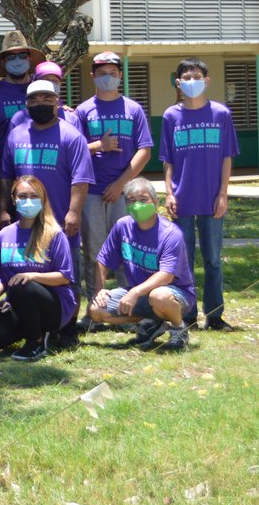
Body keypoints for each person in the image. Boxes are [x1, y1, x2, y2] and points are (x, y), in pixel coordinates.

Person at [0, 80, 93, 342]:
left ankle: (68, 327)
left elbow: (81, 178)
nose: (41, 104)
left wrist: (74, 212)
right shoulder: (16, 134)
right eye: (35, 100)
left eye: (47, 98)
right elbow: (6, 175)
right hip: (26, 220)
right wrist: (4, 210)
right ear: (26, 104)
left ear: (57, 102)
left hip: (62, 220)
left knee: (68, 276)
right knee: (30, 272)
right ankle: (35, 324)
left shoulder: (71, 136)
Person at [160, 58, 239, 330]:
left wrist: (223, 194)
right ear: (178, 83)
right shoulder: (171, 116)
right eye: (186, 77)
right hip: (181, 200)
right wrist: (169, 193)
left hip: (211, 199)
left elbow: (227, 158)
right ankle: (188, 314)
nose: (191, 82)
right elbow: (167, 160)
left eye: (196, 76)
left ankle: (215, 315)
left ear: (206, 80)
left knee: (213, 260)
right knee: (183, 261)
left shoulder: (221, 114)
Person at [76, 51, 153, 328]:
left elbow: (144, 150)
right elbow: (74, 149)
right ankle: (95, 309)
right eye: (101, 73)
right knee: (95, 251)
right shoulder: (84, 111)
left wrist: (121, 183)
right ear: (92, 76)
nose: (107, 77)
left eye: (112, 72)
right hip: (92, 191)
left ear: (120, 75)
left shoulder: (133, 109)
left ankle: (127, 309)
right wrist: (99, 145)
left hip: (124, 192)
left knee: (127, 250)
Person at [90, 178, 196, 351]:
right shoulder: (122, 226)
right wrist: (99, 289)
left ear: (155, 202)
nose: (137, 205)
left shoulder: (170, 233)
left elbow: (166, 275)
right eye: (132, 200)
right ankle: (151, 322)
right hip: (138, 292)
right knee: (96, 310)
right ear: (126, 204)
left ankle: (178, 328)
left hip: (175, 292)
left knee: (159, 296)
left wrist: (135, 292)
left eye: (143, 200)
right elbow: (102, 260)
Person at [0, 176, 77, 361]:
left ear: (42, 200)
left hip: (54, 306)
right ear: (13, 199)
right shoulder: (4, 235)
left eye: (34, 196)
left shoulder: (55, 234)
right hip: (19, 302)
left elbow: (65, 276)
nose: (28, 201)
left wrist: (32, 276)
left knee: (21, 285)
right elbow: (0, 276)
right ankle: (30, 328)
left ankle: (37, 342)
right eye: (23, 196)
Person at [0, 31, 45, 217]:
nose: (17, 60)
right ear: (3, 61)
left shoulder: (40, 88)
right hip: (3, 177)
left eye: (22, 55)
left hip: (40, 171)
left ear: (30, 58)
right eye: (11, 56)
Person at [8, 62, 81, 131]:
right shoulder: (19, 119)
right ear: (34, 82)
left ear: (60, 83)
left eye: (54, 80)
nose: (50, 84)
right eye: (45, 80)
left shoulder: (71, 118)